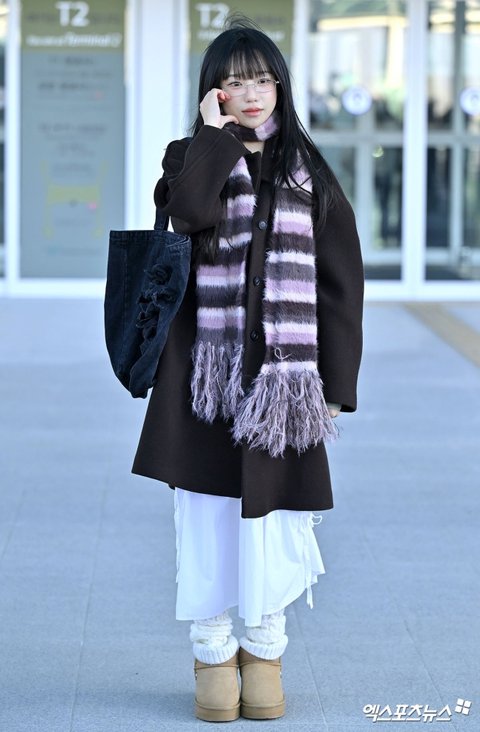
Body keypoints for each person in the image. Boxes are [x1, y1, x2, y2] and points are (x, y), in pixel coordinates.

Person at [132, 18, 363, 723]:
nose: (252, 93)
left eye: (263, 79)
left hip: (281, 385)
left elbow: (340, 285)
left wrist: (335, 385)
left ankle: (264, 653)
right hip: (205, 380)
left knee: (273, 520)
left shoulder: (308, 172)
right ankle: (212, 657)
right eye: (235, 82)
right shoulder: (191, 157)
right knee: (206, 517)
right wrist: (214, 140)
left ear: (281, 86)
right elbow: (187, 213)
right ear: (214, 93)